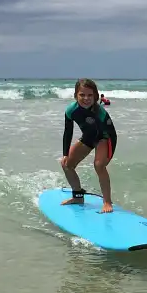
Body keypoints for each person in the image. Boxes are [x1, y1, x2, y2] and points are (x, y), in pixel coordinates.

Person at [58, 78, 117, 213]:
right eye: (82, 95)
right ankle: (78, 196)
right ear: (75, 95)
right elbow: (68, 132)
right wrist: (65, 154)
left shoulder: (100, 112)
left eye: (90, 95)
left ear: (95, 96)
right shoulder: (70, 111)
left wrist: (108, 155)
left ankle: (107, 202)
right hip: (88, 138)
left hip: (104, 138)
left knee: (99, 165)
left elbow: (112, 134)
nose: (86, 98)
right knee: (66, 164)